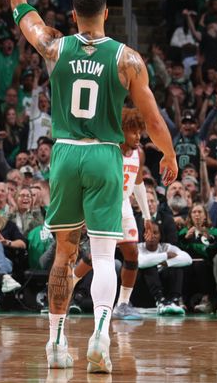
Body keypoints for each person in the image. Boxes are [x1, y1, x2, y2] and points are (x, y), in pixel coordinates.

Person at [6, 0, 178, 373]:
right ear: (105, 14)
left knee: (64, 253)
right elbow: (155, 121)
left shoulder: (54, 46)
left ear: (75, 14)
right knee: (102, 255)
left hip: (63, 153)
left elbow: (23, 11)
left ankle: (56, 342)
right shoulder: (126, 58)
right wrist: (170, 155)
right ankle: (100, 334)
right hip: (105, 153)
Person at [71, 107, 154, 320]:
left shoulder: (139, 153)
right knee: (95, 256)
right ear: (121, 130)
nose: (138, 137)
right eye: (133, 132)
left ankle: (123, 304)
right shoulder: (107, 150)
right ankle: (67, 287)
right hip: (103, 204)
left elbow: (137, 183)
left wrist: (146, 216)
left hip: (124, 205)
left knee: (132, 253)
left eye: (140, 132)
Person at [137, 220, 192, 314]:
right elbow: (141, 262)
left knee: (177, 268)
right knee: (149, 266)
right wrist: (165, 256)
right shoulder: (138, 247)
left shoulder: (166, 247)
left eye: (155, 233)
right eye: (148, 232)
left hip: (164, 284)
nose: (152, 236)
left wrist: (165, 263)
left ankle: (174, 300)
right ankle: (160, 300)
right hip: (145, 287)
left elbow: (188, 259)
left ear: (160, 235)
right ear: (143, 235)